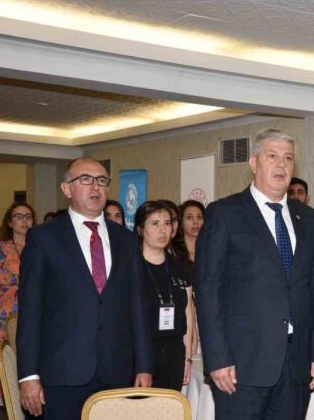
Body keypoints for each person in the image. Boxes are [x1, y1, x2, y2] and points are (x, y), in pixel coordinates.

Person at [195, 128, 314, 420]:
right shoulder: (224, 213)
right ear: (254, 163)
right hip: (241, 365)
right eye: (272, 156)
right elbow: (208, 290)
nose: (281, 165)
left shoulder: (308, 218)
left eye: (288, 158)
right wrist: (217, 358)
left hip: (296, 364)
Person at [17, 157, 153, 419]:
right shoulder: (44, 238)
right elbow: (31, 312)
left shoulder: (126, 240)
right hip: (62, 373)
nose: (95, 187)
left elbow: (137, 307)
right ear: (66, 189)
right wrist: (28, 375)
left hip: (116, 371)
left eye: (102, 180)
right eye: (86, 180)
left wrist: (144, 365)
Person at [134, 201, 194, 391]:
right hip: (140, 356)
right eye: (155, 224)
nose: (163, 230)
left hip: (174, 354)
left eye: (167, 223)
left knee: (169, 406)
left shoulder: (179, 266)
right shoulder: (130, 267)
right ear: (140, 229)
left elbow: (188, 312)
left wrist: (187, 357)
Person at [0, 203, 34, 407]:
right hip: (5, 312)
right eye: (18, 217)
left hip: (34, 309)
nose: (24, 220)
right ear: (10, 223)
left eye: (28, 216)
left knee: (30, 356)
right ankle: (10, 405)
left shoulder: (39, 246)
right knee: (6, 359)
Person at [175, 200, 205, 265]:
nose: (196, 221)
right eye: (189, 217)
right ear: (181, 222)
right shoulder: (174, 253)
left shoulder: (211, 251)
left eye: (199, 217)